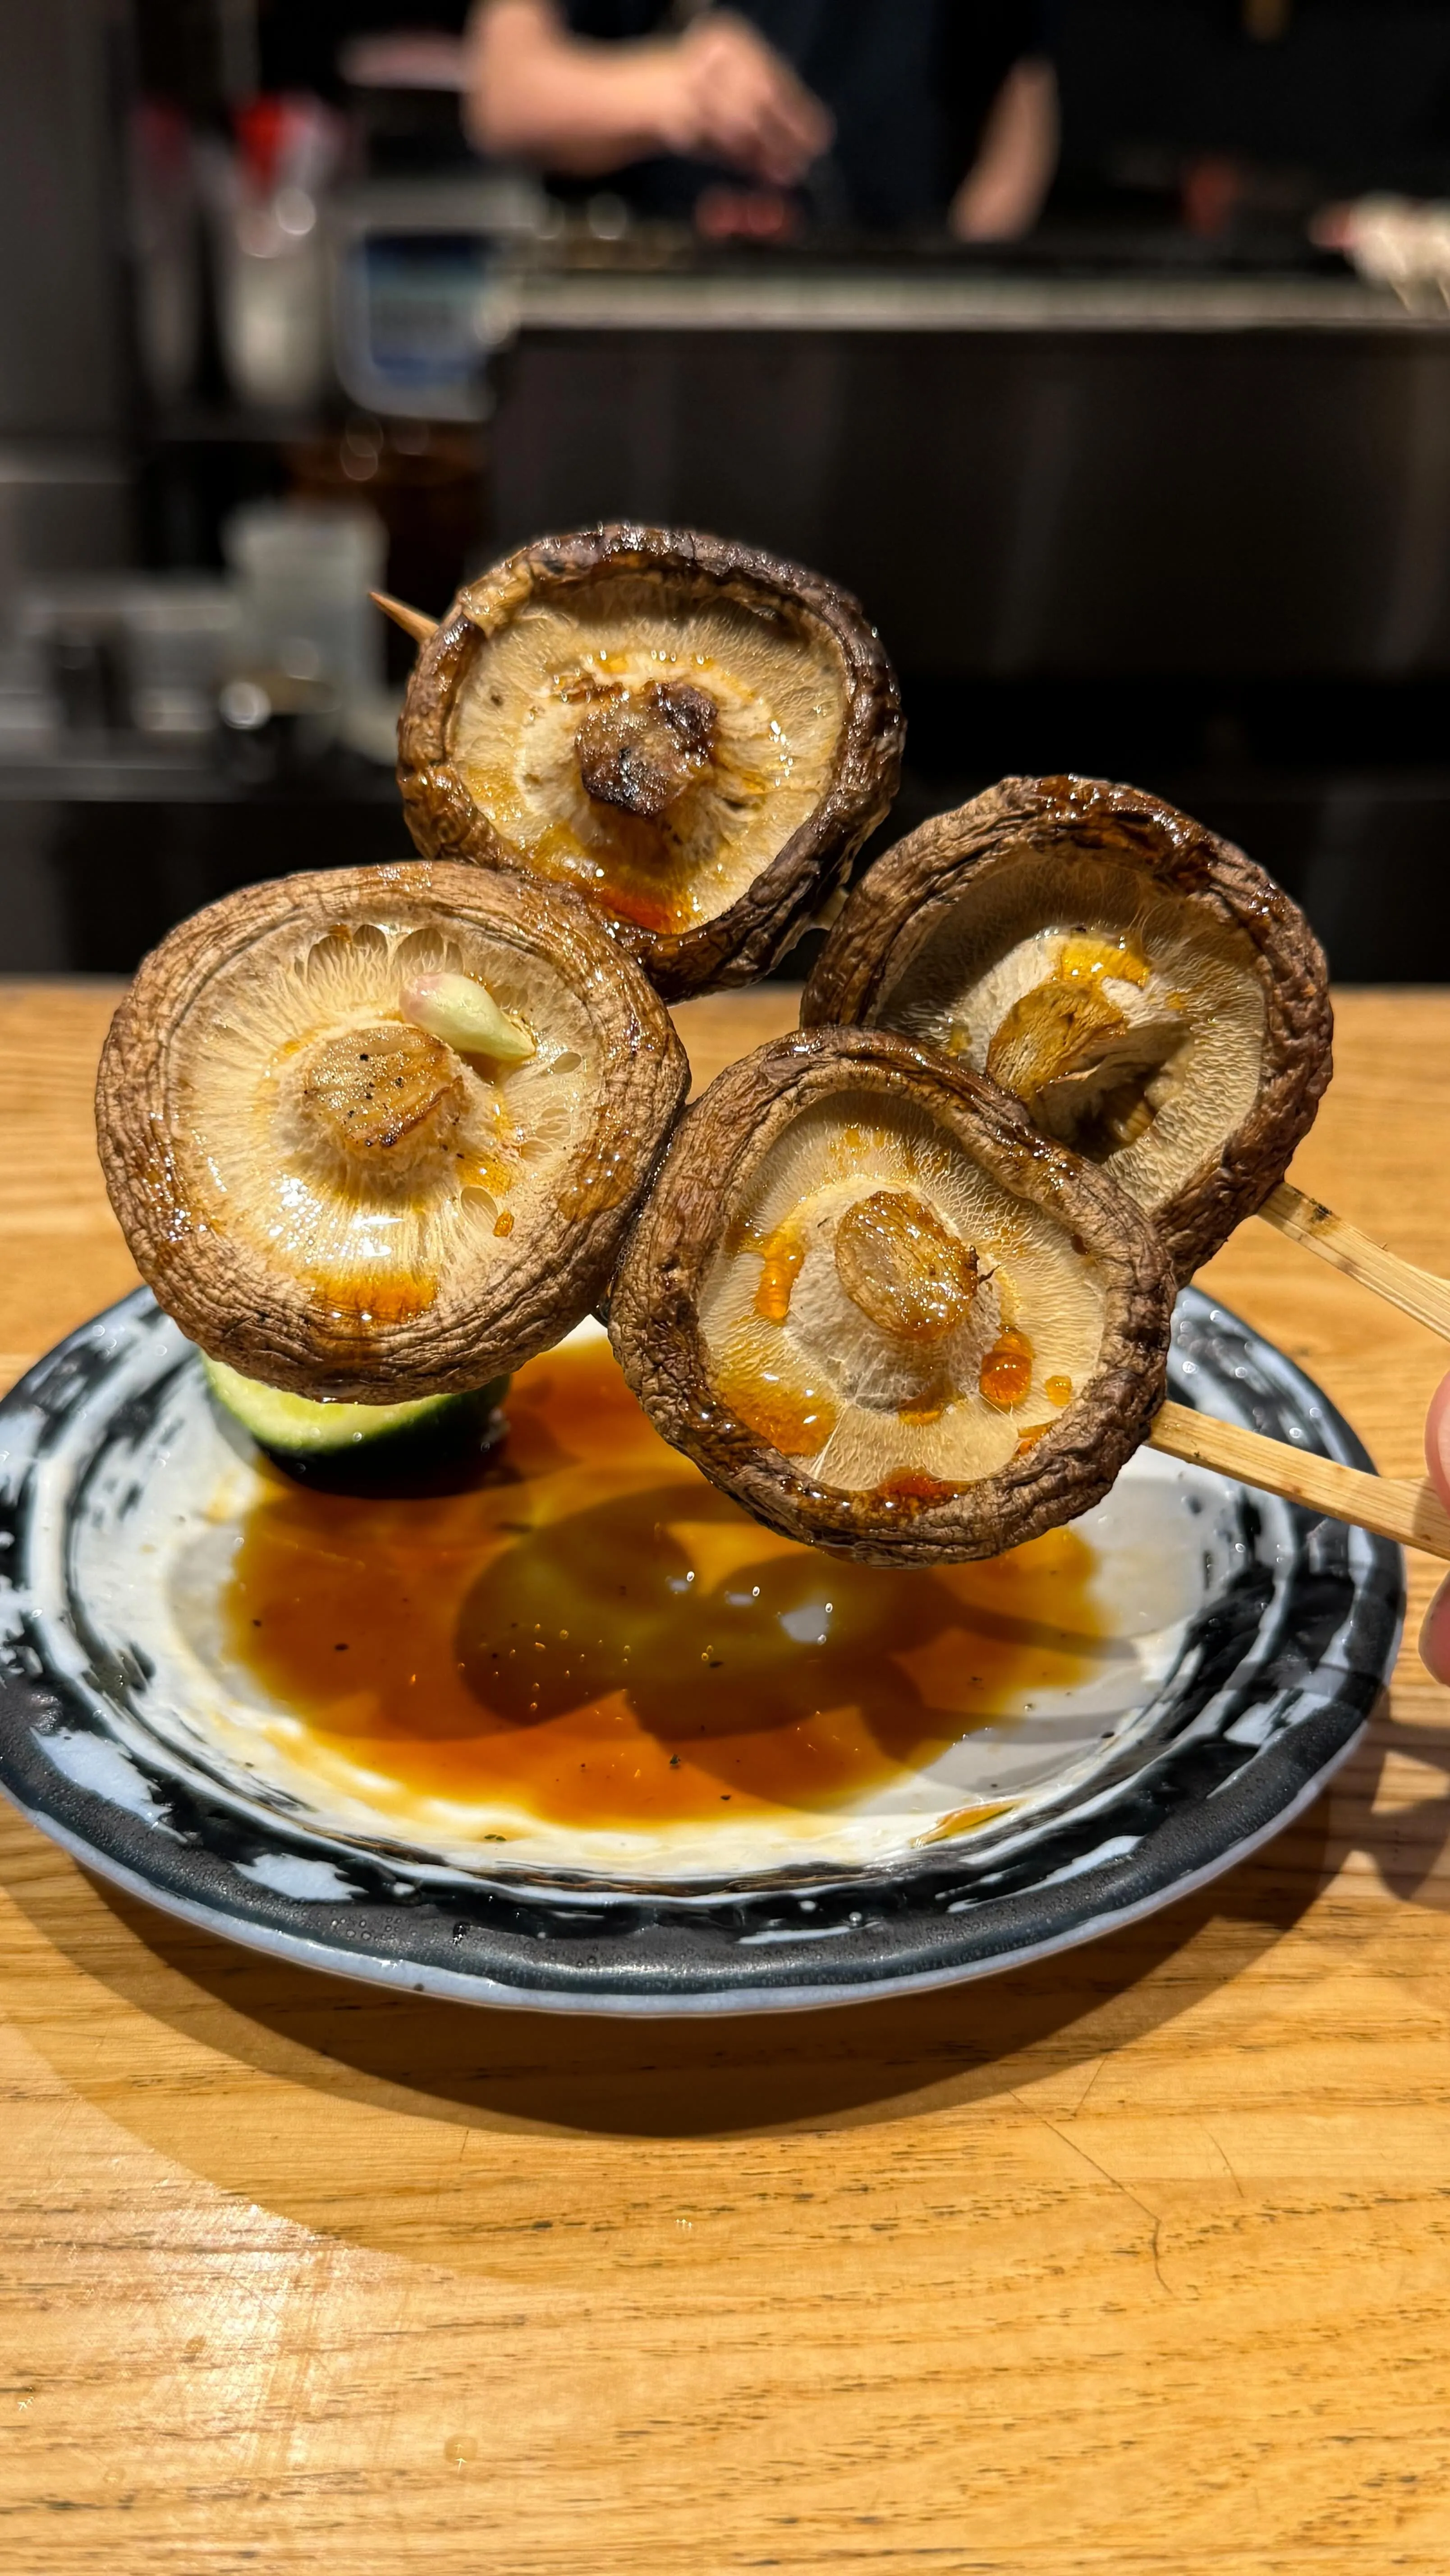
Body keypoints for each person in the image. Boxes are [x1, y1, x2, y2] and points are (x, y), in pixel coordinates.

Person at [463, 1, 1059, 239]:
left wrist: (959, 291)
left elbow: (1021, 98)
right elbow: (504, 92)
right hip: (644, 345)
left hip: (880, 355)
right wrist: (672, 88)